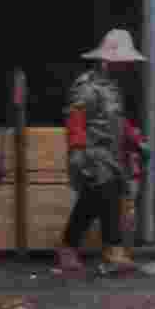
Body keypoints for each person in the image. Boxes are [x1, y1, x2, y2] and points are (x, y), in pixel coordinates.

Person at [57, 30, 142, 275]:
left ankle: (68, 247)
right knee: (107, 193)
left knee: (91, 201)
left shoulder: (113, 89)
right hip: (92, 153)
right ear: (108, 60)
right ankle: (113, 250)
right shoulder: (87, 87)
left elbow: (117, 121)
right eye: (122, 61)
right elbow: (76, 119)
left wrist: (135, 140)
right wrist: (77, 152)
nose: (127, 66)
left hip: (111, 154)